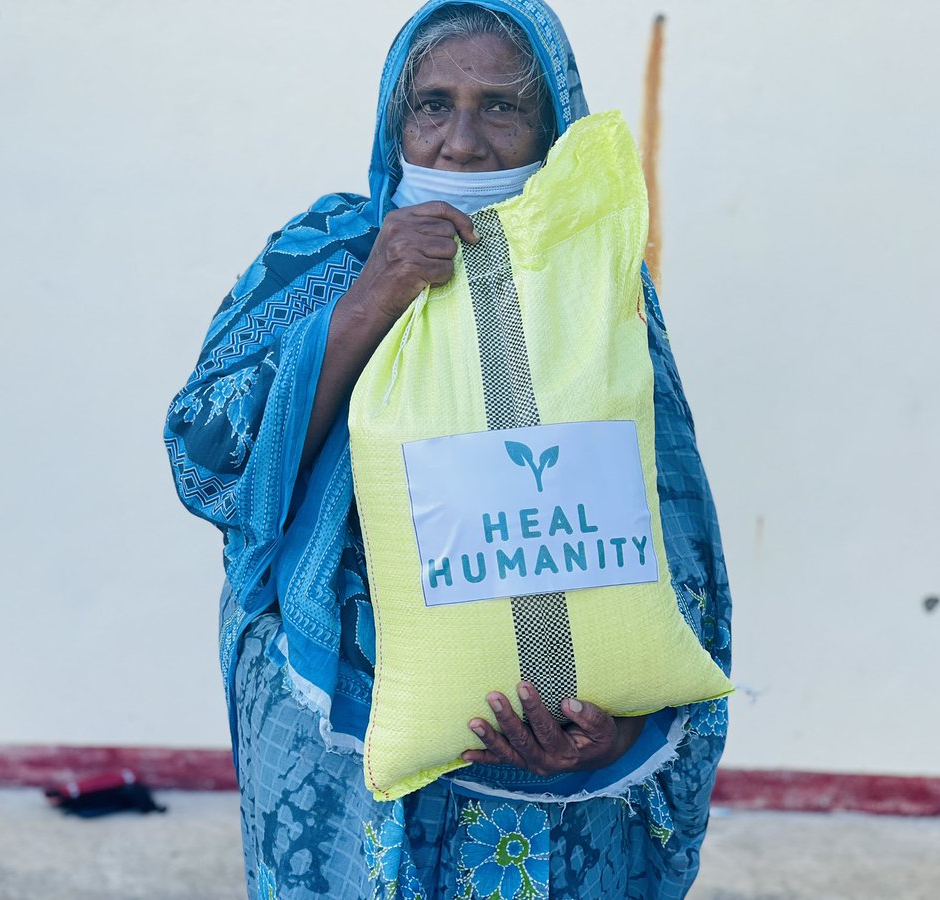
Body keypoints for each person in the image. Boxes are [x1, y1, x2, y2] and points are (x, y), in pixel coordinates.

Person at [165, 1, 732, 896]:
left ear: (556, 126)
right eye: (432, 105)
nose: (461, 143)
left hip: (553, 766)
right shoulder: (330, 248)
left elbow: (671, 518)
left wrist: (621, 727)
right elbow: (207, 459)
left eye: (500, 107)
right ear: (397, 118)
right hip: (339, 746)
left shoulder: (599, 280)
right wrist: (371, 297)